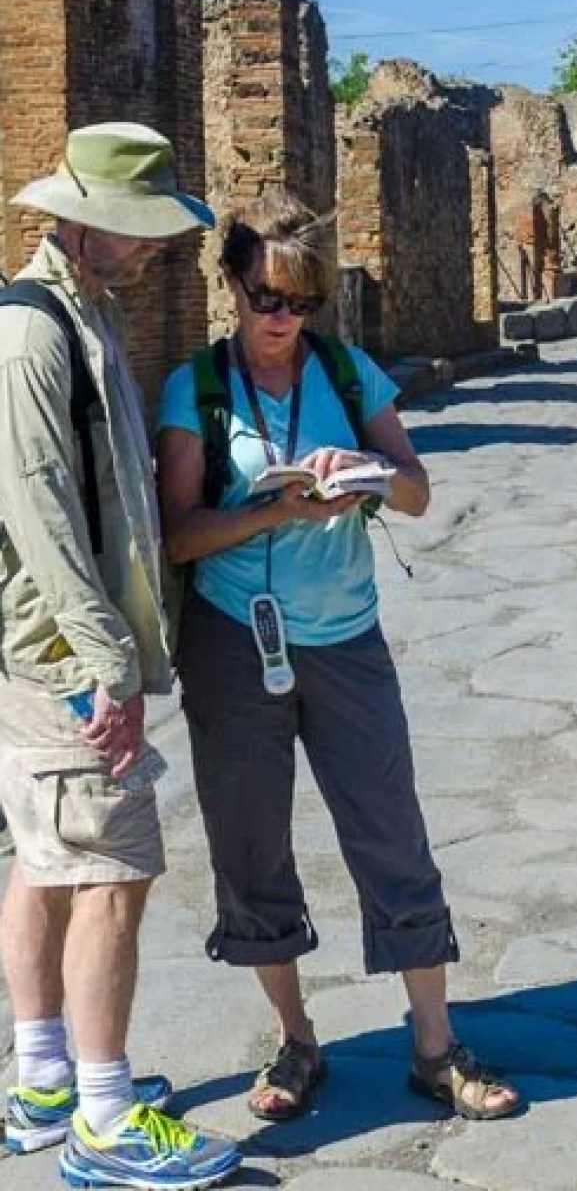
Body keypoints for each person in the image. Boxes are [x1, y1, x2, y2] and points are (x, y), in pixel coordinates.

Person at [155, 191, 519, 1125]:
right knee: (250, 844)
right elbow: (180, 537)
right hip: (236, 643)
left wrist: (359, 474)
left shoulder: (349, 375)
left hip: (346, 638)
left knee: (391, 832)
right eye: (268, 298)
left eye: (303, 303)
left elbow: (417, 493)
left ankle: (436, 1049)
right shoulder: (194, 390)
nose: (284, 320)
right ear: (232, 284)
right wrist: (279, 505)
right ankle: (297, 1040)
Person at [0, 122, 241, 1189]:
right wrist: (104, 663)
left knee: (46, 863)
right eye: (138, 233)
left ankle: (45, 1081)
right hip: (64, 657)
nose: (151, 251)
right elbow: (40, 507)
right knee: (113, 872)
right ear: (84, 220)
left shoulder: (81, 310)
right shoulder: (31, 335)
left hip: (56, 652)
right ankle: (103, 1117)